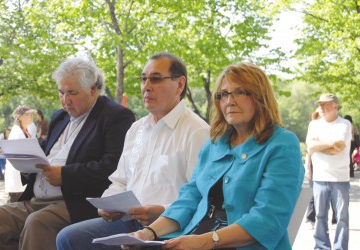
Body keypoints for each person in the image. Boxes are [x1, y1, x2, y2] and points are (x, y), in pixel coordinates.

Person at [123, 62, 305, 250]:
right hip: (194, 237)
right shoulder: (215, 143)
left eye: (240, 92)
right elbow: (189, 198)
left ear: (261, 97)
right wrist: (148, 233)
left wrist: (205, 242)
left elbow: (268, 219)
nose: (230, 101)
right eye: (224, 94)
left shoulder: (282, 144)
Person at [56, 52, 210, 250]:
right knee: (69, 238)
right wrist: (108, 204)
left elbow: (202, 197)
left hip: (171, 227)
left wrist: (162, 211)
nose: (146, 87)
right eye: (143, 79)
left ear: (179, 85)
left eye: (155, 79)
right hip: (127, 221)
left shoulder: (197, 132)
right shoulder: (136, 129)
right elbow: (120, 180)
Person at [0, 56, 135, 250]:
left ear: (93, 89)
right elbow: (44, 152)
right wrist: (24, 162)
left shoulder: (114, 116)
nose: (65, 100)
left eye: (72, 92)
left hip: (77, 201)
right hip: (39, 198)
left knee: (38, 223)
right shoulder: (60, 117)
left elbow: (112, 167)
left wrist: (64, 175)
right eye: (61, 92)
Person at [306, 93, 351, 250]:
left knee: (342, 219)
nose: (321, 107)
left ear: (335, 106)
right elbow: (310, 148)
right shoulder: (314, 125)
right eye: (320, 104)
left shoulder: (345, 124)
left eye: (325, 104)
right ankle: (321, 247)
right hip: (319, 177)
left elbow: (339, 148)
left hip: (340, 179)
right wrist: (329, 144)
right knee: (320, 216)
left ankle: (340, 247)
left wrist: (319, 145)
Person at [4, 106, 37, 203]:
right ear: (19, 116)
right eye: (27, 114)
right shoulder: (17, 132)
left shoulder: (24, 131)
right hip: (17, 176)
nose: (30, 117)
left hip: (22, 175)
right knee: (14, 205)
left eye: (31, 114)